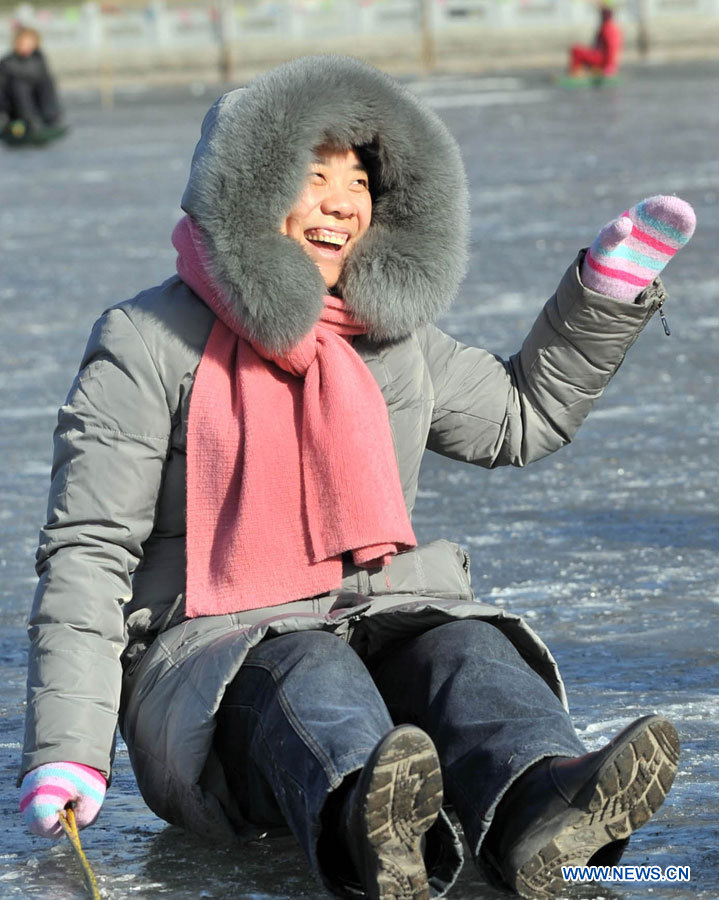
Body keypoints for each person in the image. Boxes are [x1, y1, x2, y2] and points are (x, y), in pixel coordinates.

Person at [18, 55, 695, 900]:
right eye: (313, 174)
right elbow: (89, 551)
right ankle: (367, 824)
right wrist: (68, 751)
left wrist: (605, 290)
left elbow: (520, 419)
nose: (343, 200)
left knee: (462, 644)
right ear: (248, 190)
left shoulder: (387, 339)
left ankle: (541, 804)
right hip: (209, 669)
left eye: (359, 180)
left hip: (372, 617)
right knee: (308, 662)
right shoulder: (148, 340)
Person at [0, 25, 64, 141]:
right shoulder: (7, 62)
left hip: (38, 104)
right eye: (24, 43)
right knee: (19, 85)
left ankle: (50, 118)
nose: (27, 46)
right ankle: (30, 121)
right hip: (13, 109)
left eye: (30, 43)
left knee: (46, 81)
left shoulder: (39, 59)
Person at [568, 3, 622, 79]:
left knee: (576, 50)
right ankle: (580, 71)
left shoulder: (608, 27)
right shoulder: (609, 26)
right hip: (600, 55)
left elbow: (611, 47)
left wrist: (609, 67)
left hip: (602, 58)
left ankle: (575, 73)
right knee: (577, 49)